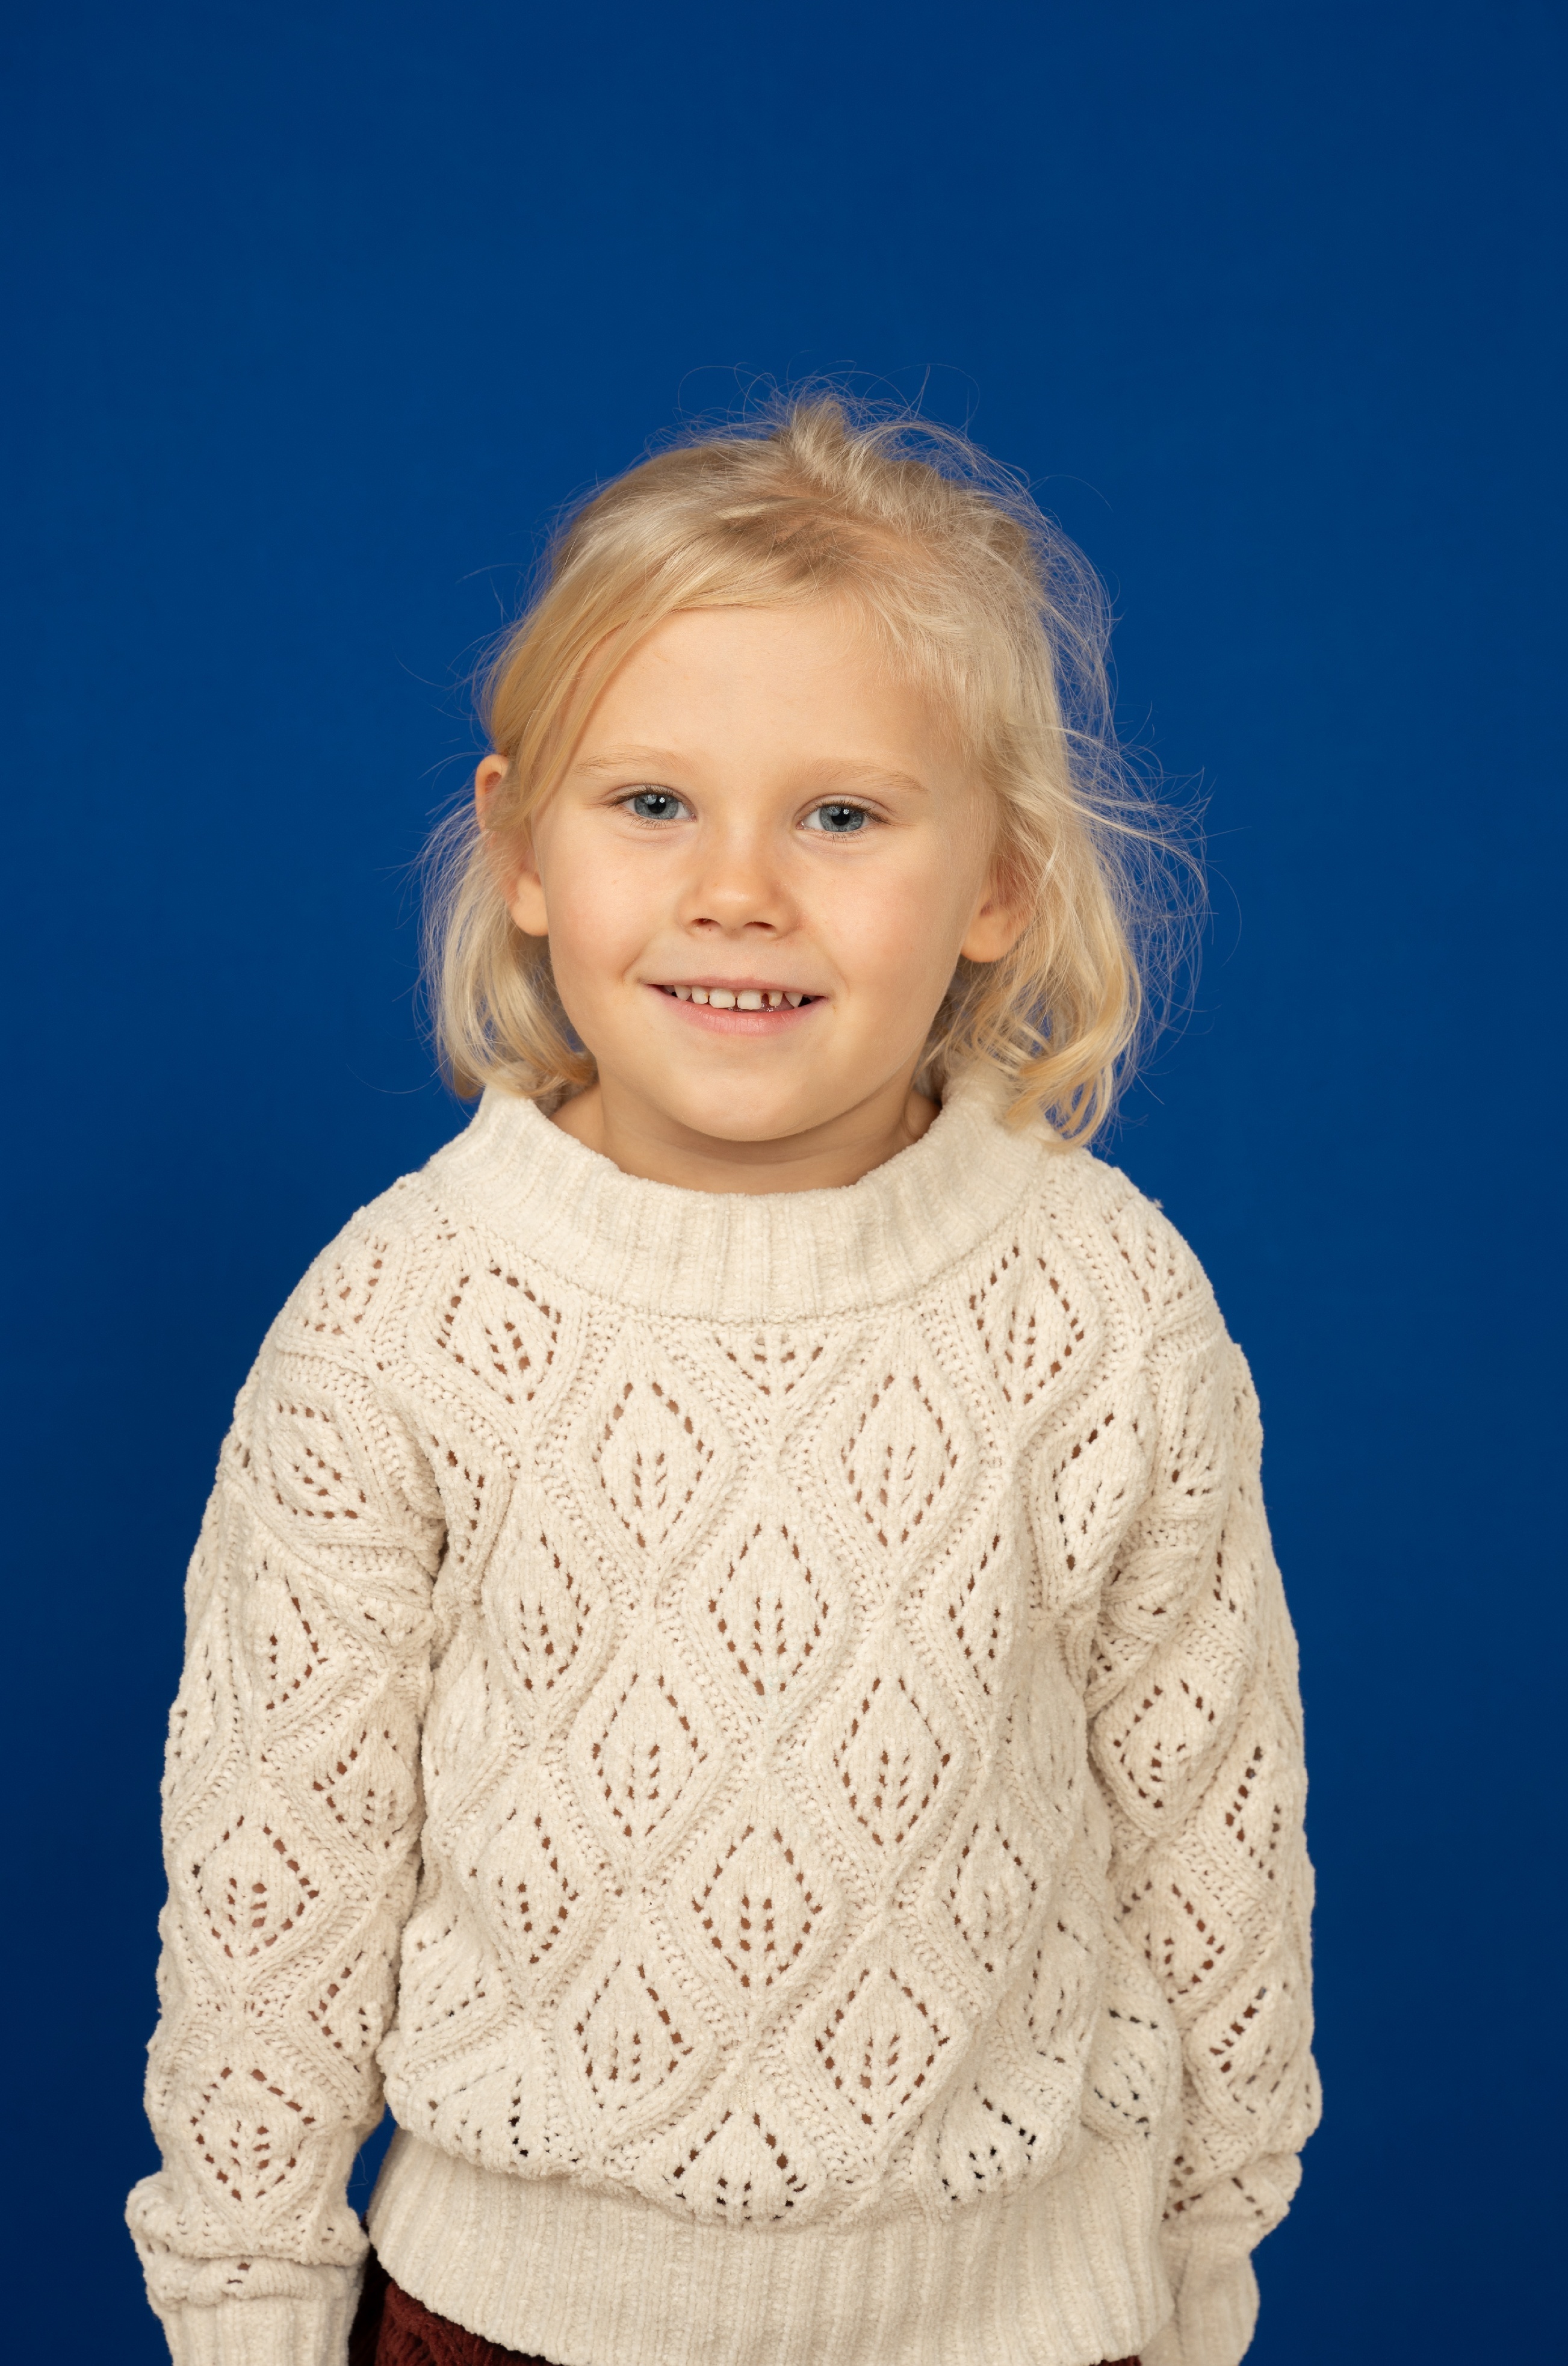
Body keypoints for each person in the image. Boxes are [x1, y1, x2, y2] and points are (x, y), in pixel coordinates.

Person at [128, 395, 1318, 2366]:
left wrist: (1206, 2268)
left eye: (842, 816)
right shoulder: (404, 1320)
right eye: (653, 804)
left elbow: (1214, 1832)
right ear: (522, 843)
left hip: (1030, 2330)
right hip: (507, 2324)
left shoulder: (1102, 1305)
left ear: (1001, 882)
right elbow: (278, 1886)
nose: (739, 888)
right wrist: (248, 2305)